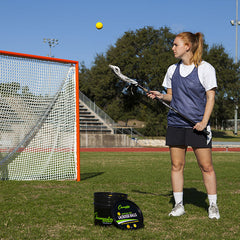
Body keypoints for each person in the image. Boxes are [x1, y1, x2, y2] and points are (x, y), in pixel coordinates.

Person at [147, 32, 220, 219]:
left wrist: (204, 122)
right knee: (176, 165)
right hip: (175, 123)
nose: (172, 48)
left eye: (175, 44)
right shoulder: (172, 70)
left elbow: (211, 97)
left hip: (197, 125)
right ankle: (179, 205)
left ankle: (213, 206)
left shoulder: (205, 69)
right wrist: (160, 95)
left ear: (187, 46)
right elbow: (171, 96)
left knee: (206, 166)